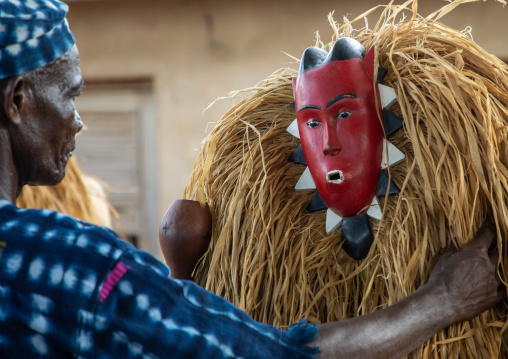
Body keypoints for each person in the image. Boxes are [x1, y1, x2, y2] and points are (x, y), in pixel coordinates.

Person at [0, 1, 503, 358]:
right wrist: (445, 300)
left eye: (345, 117)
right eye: (70, 95)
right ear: (17, 101)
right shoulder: (67, 263)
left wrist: (177, 285)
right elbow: (269, 355)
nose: (77, 119)